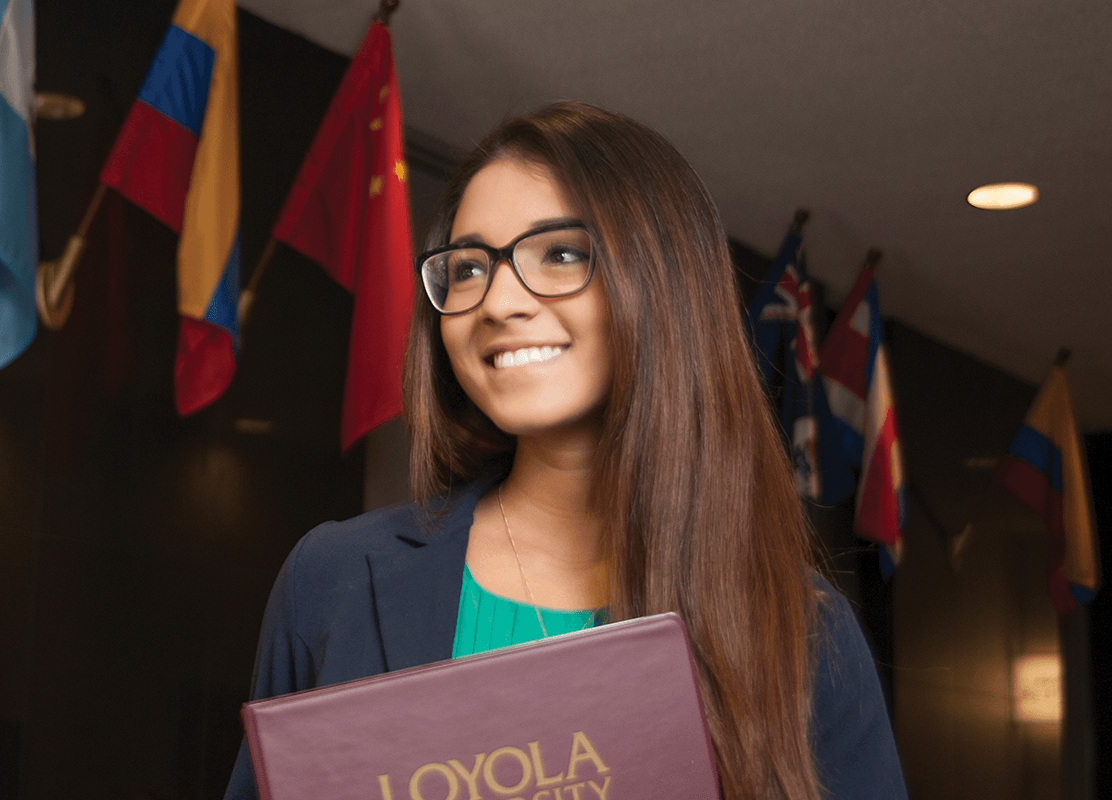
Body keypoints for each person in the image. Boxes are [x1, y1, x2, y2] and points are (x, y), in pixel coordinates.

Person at [222, 101, 905, 800]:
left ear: (665, 283)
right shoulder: (332, 578)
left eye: (561, 254)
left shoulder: (804, 630)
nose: (498, 303)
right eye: (468, 268)